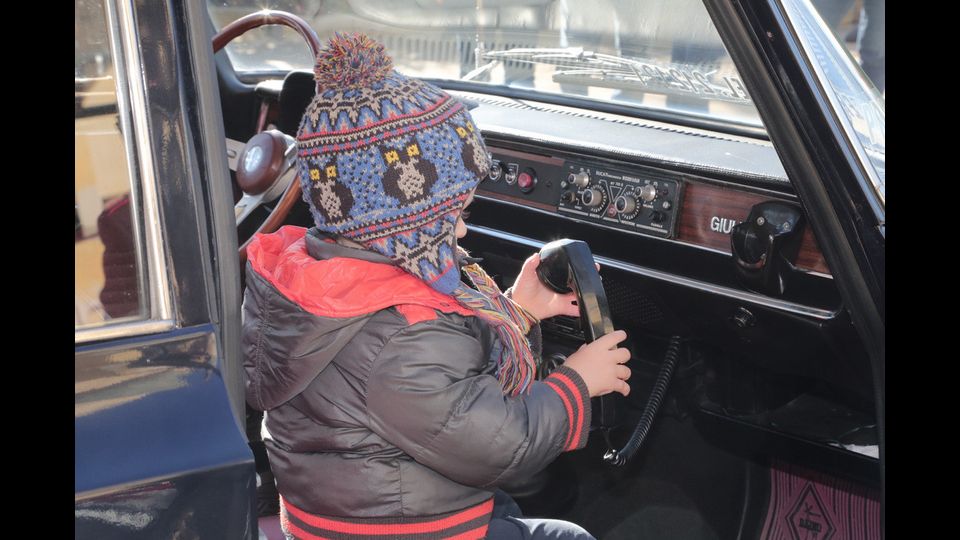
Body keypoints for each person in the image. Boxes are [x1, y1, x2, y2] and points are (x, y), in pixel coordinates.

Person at [242, 33, 632, 540]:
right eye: (457, 216)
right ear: (405, 223)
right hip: (398, 529)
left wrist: (519, 310)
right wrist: (576, 385)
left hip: (350, 514)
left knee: (505, 506)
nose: (465, 231)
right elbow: (504, 446)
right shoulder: (403, 333)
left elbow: (453, 395)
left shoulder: (322, 281)